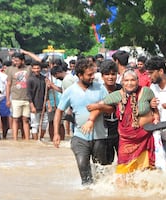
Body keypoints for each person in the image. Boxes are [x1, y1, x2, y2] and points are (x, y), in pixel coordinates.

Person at [53, 58, 108, 186]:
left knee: (100, 170)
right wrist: (56, 133)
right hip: (79, 137)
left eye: (93, 73)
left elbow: (111, 107)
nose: (93, 77)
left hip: (99, 136)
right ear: (79, 75)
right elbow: (59, 111)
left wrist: (98, 107)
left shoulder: (100, 88)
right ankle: (87, 195)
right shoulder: (70, 91)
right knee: (83, 165)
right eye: (89, 75)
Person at [86, 60, 122, 165]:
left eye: (113, 74)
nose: (110, 77)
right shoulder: (96, 91)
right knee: (103, 164)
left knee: (124, 163)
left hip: (120, 132)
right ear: (102, 76)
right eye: (107, 74)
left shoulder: (122, 90)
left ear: (117, 75)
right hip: (102, 133)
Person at [27, 61, 49, 140]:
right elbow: (29, 94)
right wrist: (32, 106)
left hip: (43, 106)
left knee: (44, 124)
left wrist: (48, 104)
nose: (36, 70)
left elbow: (46, 93)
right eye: (34, 68)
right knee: (34, 125)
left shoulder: (44, 79)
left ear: (41, 69)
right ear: (32, 69)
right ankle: (35, 141)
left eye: (38, 68)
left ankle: (41, 138)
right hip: (34, 105)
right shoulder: (30, 80)